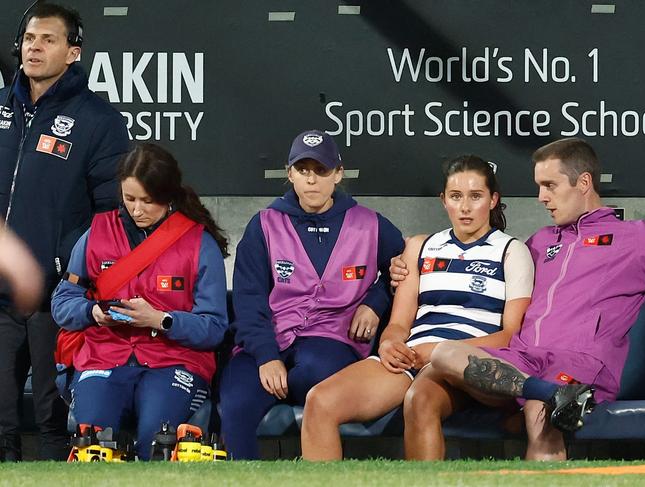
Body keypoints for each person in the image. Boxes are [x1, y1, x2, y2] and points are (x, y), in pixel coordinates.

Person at [390, 138, 645, 461]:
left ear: (584, 182)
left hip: (579, 362)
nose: (542, 197)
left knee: (539, 413)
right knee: (444, 353)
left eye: (550, 186)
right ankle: (548, 394)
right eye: (540, 187)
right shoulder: (538, 243)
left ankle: (549, 398)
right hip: (524, 362)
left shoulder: (636, 238)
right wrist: (400, 266)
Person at [301, 155, 534, 460]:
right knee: (319, 400)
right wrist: (389, 343)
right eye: (455, 196)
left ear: (493, 200)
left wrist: (440, 351)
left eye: (475, 196)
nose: (464, 207)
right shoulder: (420, 247)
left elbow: (510, 337)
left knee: (420, 399)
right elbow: (399, 322)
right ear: (443, 200)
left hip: (467, 366)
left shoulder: (512, 251)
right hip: (411, 358)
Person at [219, 130, 404, 459]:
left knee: (316, 376)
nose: (312, 180)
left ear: (338, 174)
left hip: (330, 342)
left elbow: (405, 268)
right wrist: (266, 357)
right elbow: (249, 301)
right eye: (303, 170)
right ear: (289, 173)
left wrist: (376, 303)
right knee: (236, 404)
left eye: (321, 170)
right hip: (267, 342)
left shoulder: (369, 224)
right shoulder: (264, 224)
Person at [0, 3, 129, 461]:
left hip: (55, 295)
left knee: (53, 420)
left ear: (73, 52)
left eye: (49, 40)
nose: (34, 47)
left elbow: (112, 214)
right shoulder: (1, 108)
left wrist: (70, 272)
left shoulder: (99, 121)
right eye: (30, 38)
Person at [51, 143, 229, 460]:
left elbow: (215, 327)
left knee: (156, 441)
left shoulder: (199, 242)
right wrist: (92, 312)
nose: (137, 210)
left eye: (147, 201)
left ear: (168, 196)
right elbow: (62, 303)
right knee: (94, 443)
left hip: (173, 359)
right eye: (129, 198)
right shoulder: (96, 233)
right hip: (104, 355)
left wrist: (162, 320)